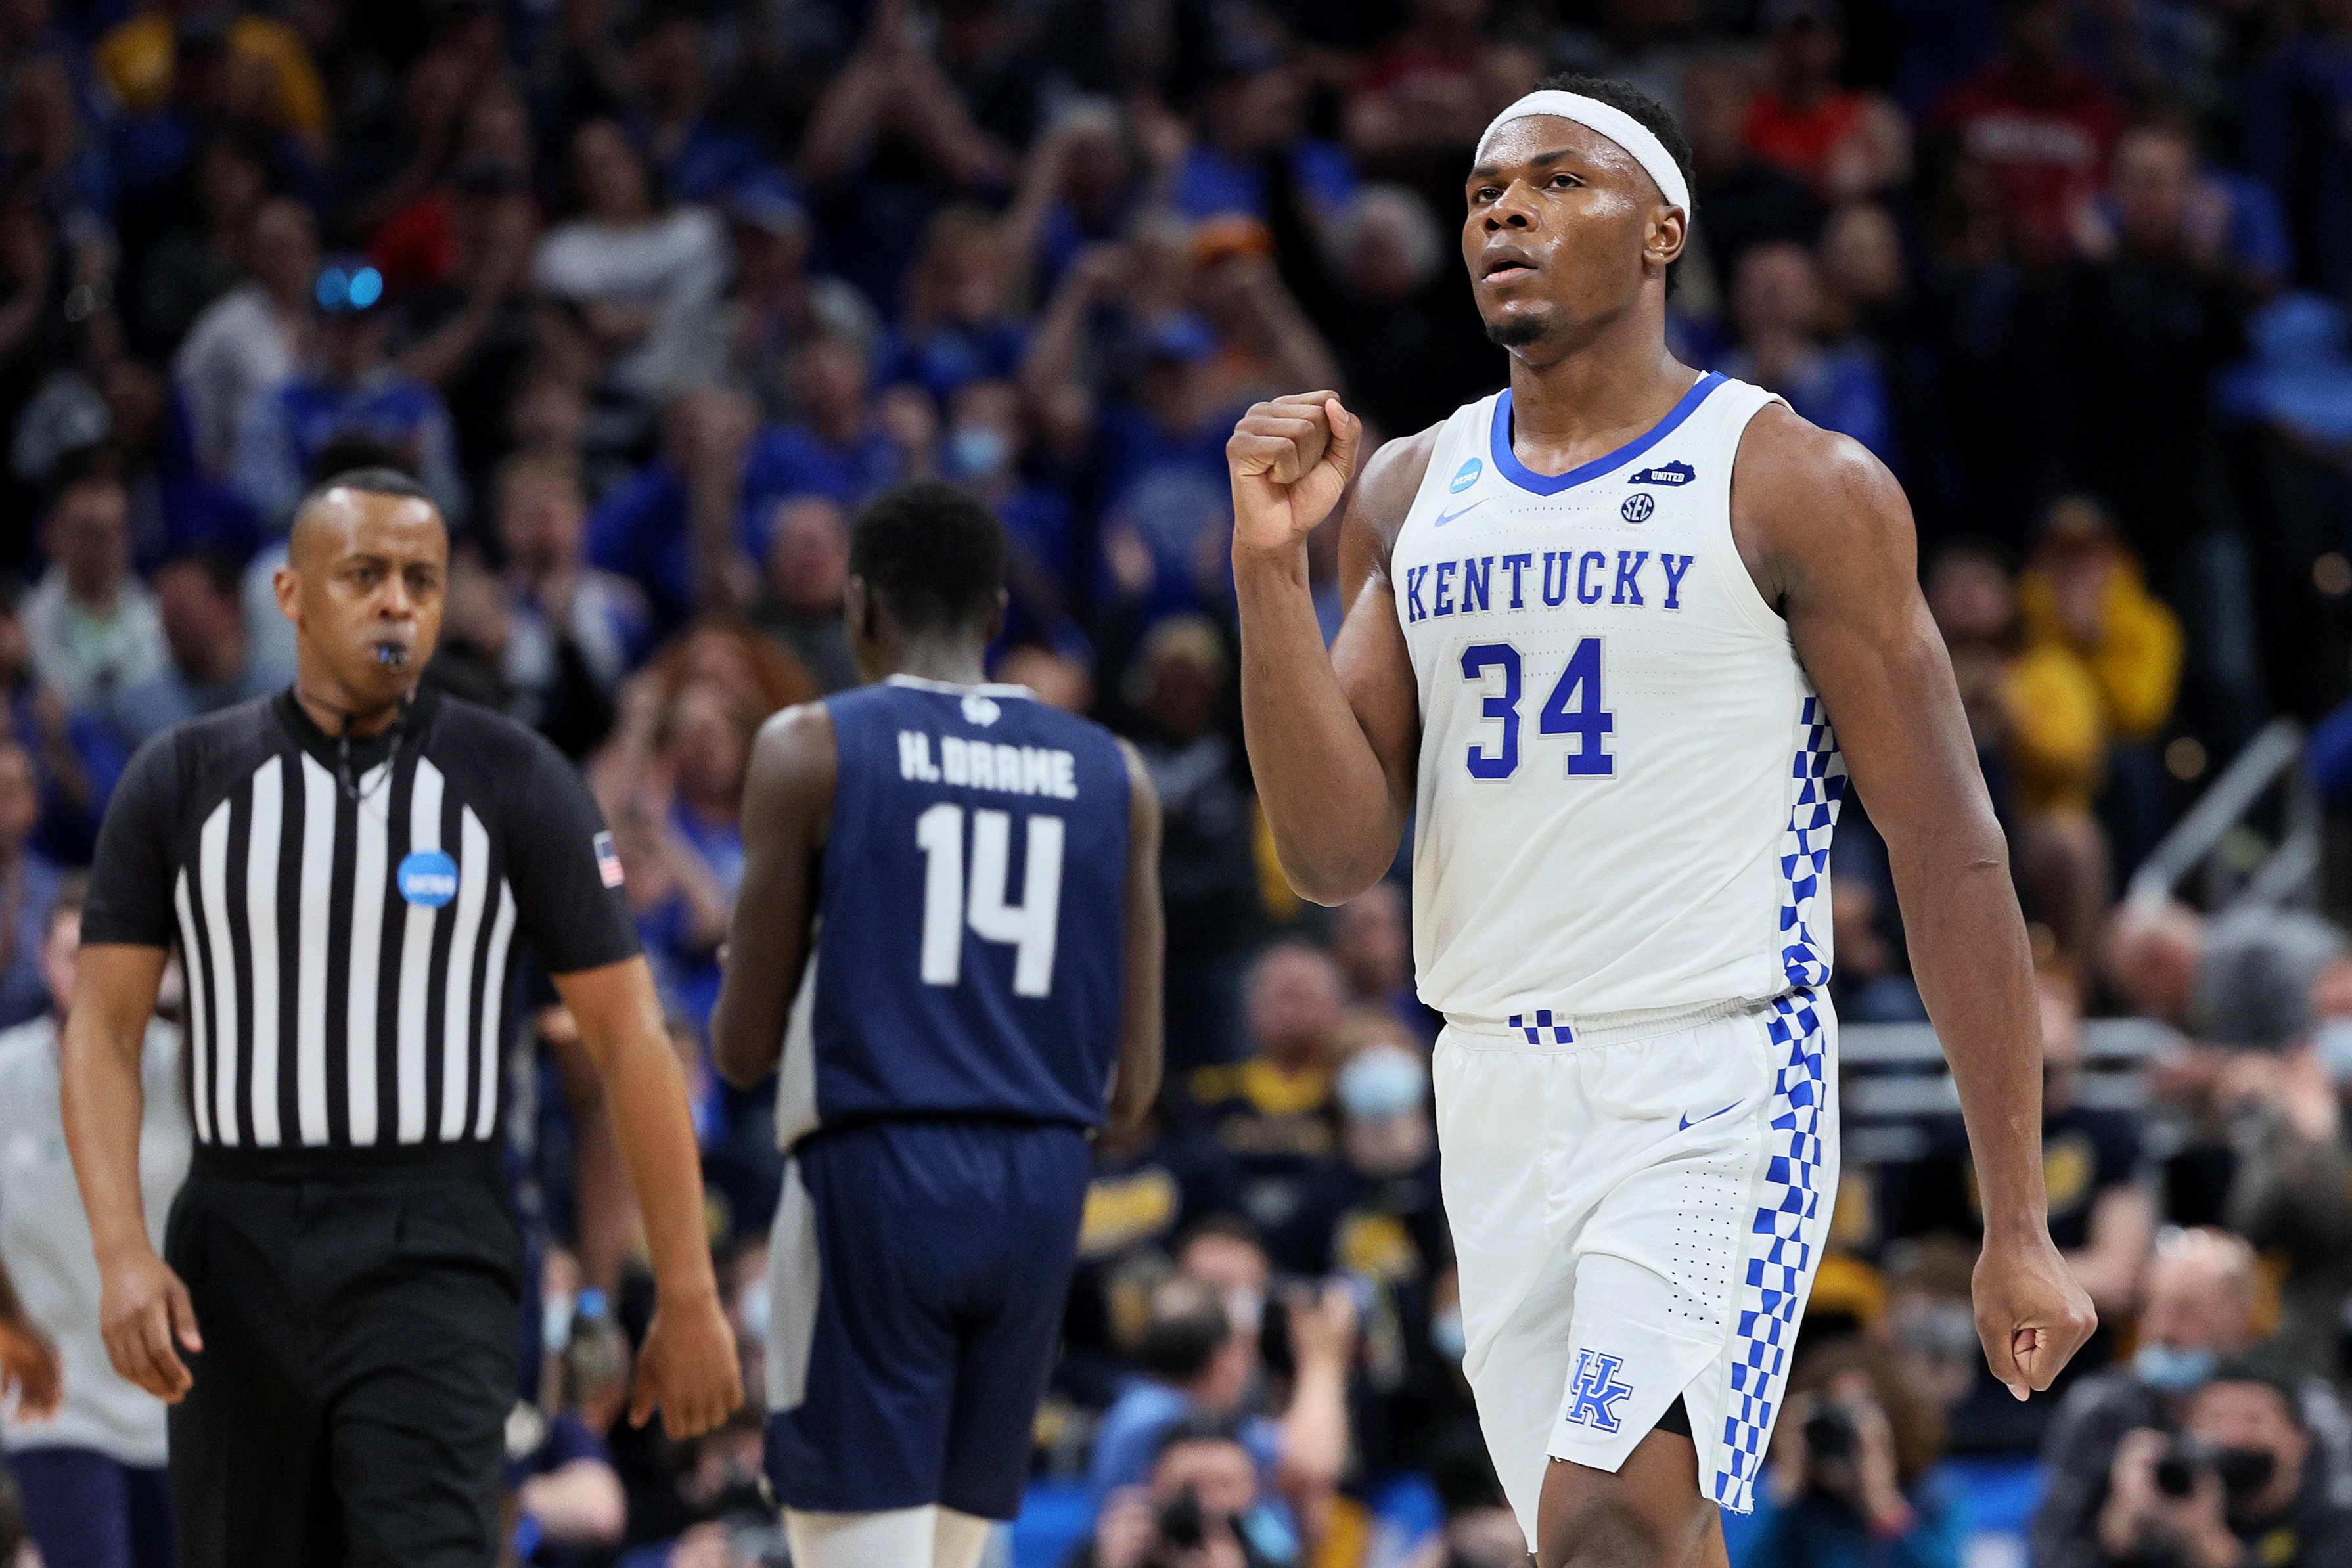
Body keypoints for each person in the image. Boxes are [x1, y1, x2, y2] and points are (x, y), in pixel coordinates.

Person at [1223, 73, 2094, 1565]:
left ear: (1661, 225)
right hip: (1490, 1085)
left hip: (1710, 1081)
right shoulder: (1407, 488)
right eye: (1485, 192)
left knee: (1610, 1530)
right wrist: (1264, 575)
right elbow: (1329, 856)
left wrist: (2013, 1211)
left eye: (1558, 181)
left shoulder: (1791, 484)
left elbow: (1948, 850)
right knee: (1633, 1543)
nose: (1505, 211)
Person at [61, 468, 742, 1568]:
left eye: (422, 580)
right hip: (235, 1231)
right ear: (287, 593)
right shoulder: (180, 776)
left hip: (435, 1231)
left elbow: (629, 1037)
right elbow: (101, 1030)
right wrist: (122, 1248)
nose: (397, 604)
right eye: (364, 575)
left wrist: (689, 1288)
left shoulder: (518, 777)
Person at [708, 480, 1165, 1568]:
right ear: (997, 611)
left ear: (860, 606)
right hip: (1042, 1188)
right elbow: (1133, 1090)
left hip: (877, 1170)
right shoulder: (1116, 772)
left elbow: (740, 1048)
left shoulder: (812, 743)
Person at [0, 880, 187, 1568]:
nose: (84, 974)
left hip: (175, 1393)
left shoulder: (184, 1068)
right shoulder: (6, 1075)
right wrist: (9, 1332)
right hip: (62, 1394)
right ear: (41, 961)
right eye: (67, 954)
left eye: (103, 955)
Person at [2031, 1228, 2352, 1568]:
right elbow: (2051, 1549)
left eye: (2187, 1310)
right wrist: (2119, 1529)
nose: (2164, 1330)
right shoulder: (2103, 1409)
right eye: (2152, 1307)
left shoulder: (2301, 1409)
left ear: (2242, 1319)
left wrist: (2211, 1542)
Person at [2094, 1362, 2352, 1568]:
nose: (2233, 1437)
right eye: (2217, 1419)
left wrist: (2204, 1539)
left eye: (2253, 1420)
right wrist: (2125, 1517)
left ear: (2299, 1440)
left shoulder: (2336, 1523)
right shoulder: (2186, 1498)